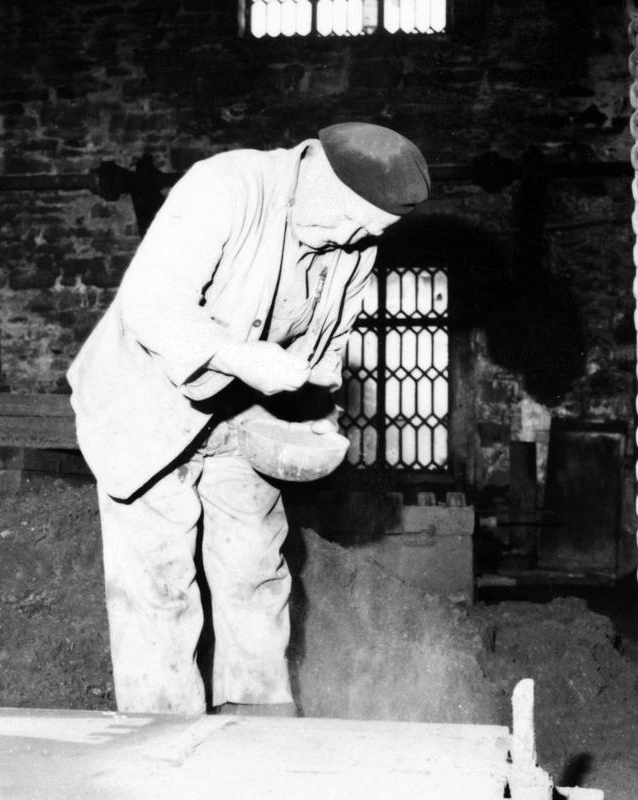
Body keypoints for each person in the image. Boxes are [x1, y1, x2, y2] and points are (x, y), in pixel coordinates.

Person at [66, 122, 430, 717]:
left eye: (373, 231)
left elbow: (327, 349)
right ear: (313, 167)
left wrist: (317, 419)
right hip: (149, 404)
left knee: (256, 572)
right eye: (350, 219)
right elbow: (150, 303)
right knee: (160, 591)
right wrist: (240, 358)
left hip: (241, 416)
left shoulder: (353, 242)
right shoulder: (226, 187)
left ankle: (258, 735)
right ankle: (162, 749)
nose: (355, 239)